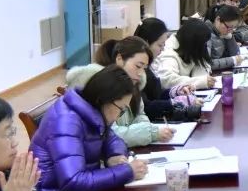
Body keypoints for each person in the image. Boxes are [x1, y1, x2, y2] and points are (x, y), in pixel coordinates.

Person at [30, 65, 148, 191]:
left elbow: (112, 139)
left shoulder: (93, 110)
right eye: (121, 110)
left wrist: (114, 155)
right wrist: (127, 172)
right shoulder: (66, 121)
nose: (118, 117)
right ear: (105, 99)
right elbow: (73, 181)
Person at [66, 37, 197, 147]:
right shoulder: (100, 85)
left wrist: (148, 130)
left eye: (144, 68)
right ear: (119, 59)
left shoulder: (133, 83)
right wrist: (151, 133)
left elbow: (140, 114)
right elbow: (109, 133)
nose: (140, 73)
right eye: (138, 66)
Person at [134, 17, 204, 122]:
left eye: (164, 45)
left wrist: (175, 92)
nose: (162, 50)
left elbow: (156, 94)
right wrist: (175, 103)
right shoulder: (136, 71)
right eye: (160, 45)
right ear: (146, 43)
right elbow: (146, 107)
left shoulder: (148, 66)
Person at [154, 19, 227, 89]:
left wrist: (203, 78)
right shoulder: (169, 52)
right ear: (193, 43)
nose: (203, 47)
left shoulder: (191, 48)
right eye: (202, 44)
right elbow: (166, 80)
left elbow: (202, 64)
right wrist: (200, 82)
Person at [204, 4, 245, 71]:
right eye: (229, 27)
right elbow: (206, 64)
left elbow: (236, 55)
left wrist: (230, 39)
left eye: (233, 28)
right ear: (218, 19)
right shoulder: (205, 34)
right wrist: (232, 60)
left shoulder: (222, 32)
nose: (231, 31)